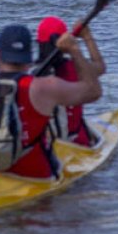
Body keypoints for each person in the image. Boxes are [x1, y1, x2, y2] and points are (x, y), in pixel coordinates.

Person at [0, 24, 103, 178]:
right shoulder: (45, 87)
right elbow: (94, 92)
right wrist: (74, 51)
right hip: (33, 174)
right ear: (29, 57)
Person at [34, 17, 105, 146]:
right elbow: (100, 67)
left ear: (38, 42)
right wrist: (87, 36)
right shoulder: (76, 68)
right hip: (77, 142)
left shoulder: (31, 75)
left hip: (44, 145)